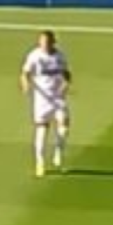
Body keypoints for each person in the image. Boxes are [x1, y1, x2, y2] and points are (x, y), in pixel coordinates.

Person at [19, 30, 70, 176]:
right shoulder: (35, 56)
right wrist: (25, 84)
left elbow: (66, 72)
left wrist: (66, 84)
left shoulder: (60, 56)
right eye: (41, 42)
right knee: (42, 128)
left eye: (46, 42)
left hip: (58, 96)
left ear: (53, 42)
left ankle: (58, 151)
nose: (44, 45)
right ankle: (40, 162)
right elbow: (25, 72)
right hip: (42, 98)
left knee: (64, 123)